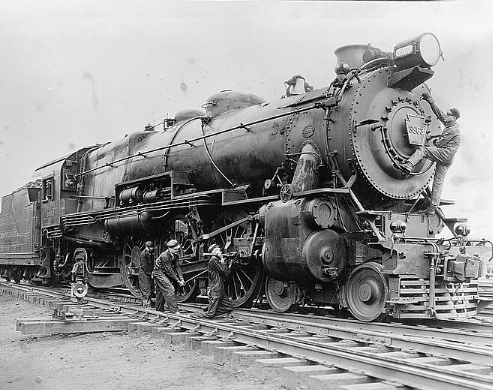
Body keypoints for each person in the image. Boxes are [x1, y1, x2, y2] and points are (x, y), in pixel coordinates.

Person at [401, 92, 461, 215]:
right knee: (438, 182)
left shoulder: (453, 130)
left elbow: (439, 144)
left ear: (453, 118)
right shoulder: (450, 124)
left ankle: (408, 164)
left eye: (449, 115)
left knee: (423, 150)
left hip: (445, 154)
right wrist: (430, 101)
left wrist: (431, 138)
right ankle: (432, 208)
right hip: (449, 158)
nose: (446, 116)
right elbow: (439, 114)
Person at [152, 239, 185, 314]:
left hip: (164, 272)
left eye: (178, 249)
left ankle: (159, 309)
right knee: (170, 289)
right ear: (170, 249)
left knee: (160, 291)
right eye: (175, 249)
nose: (177, 250)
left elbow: (177, 267)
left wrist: (182, 279)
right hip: (158, 272)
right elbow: (169, 270)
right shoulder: (164, 256)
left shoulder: (175, 254)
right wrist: (178, 281)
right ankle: (175, 311)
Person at [201, 243, 234, 318]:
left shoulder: (216, 260)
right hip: (217, 286)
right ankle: (210, 312)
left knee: (229, 307)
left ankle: (212, 309)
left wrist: (230, 264)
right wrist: (222, 260)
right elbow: (223, 271)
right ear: (214, 251)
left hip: (220, 286)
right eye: (219, 250)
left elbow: (225, 272)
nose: (221, 252)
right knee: (210, 314)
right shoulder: (213, 260)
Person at [138, 241, 155, 308]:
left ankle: (148, 301)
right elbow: (145, 266)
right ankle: (146, 303)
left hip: (147, 272)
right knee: (146, 287)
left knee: (150, 287)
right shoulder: (143, 254)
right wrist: (150, 273)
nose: (152, 249)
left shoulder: (150, 253)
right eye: (150, 247)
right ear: (147, 247)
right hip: (144, 272)